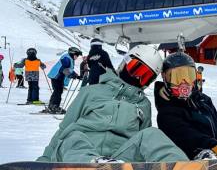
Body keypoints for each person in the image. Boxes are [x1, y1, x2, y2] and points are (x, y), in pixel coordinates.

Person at [37, 45, 188, 163]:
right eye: (136, 68)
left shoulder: (143, 104)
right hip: (78, 158)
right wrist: (43, 162)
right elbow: (63, 130)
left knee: (151, 134)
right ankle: (94, 167)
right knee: (73, 136)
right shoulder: (91, 92)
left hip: (120, 162)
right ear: (125, 63)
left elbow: (143, 141)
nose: (137, 78)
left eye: (145, 76)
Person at [46, 47, 82, 114]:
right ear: (73, 54)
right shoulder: (66, 58)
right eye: (76, 55)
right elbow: (64, 69)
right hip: (56, 76)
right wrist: (71, 75)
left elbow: (69, 69)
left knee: (58, 91)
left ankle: (53, 106)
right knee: (58, 91)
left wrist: (77, 76)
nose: (77, 57)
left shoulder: (69, 58)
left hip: (59, 77)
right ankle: (54, 106)